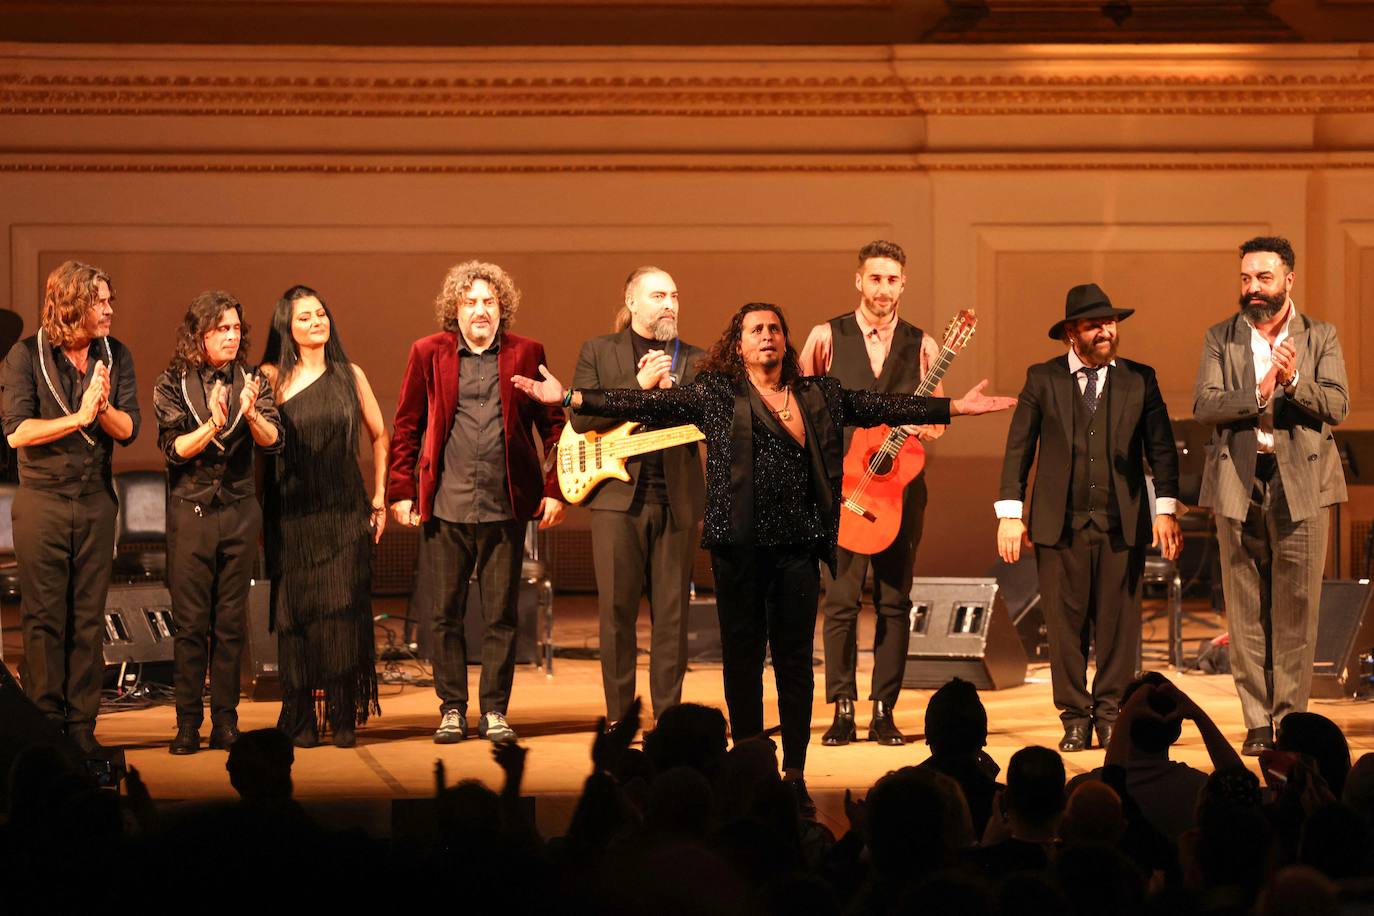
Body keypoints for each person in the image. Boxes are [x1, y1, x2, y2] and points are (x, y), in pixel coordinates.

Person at [513, 301, 1015, 813]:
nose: (767, 336)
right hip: (738, 554)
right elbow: (646, 406)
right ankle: (751, 763)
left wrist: (955, 407)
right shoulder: (717, 395)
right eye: (756, 330)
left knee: (795, 666)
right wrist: (569, 396)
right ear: (739, 344)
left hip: (797, 551)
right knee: (743, 663)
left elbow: (887, 406)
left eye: (775, 328)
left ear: (785, 340)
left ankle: (794, 771)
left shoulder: (819, 394)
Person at [997, 283, 1181, 753]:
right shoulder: (1043, 378)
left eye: (1110, 321)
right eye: (1093, 323)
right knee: (1065, 627)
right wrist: (1009, 514)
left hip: (1122, 523)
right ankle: (1075, 716)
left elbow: (1160, 449)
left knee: (1119, 627)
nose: (1106, 330)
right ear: (1070, 334)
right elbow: (1019, 449)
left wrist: (1165, 509)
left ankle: (1109, 714)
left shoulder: (1140, 379)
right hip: (1060, 525)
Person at [388, 260, 566, 745]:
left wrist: (554, 492)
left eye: (489, 302)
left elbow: (554, 428)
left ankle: (493, 711)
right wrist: (400, 491)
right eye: (470, 303)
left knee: (501, 614)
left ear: (502, 307)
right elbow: (407, 426)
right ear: (455, 310)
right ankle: (451, 708)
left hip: (505, 506)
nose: (480, 310)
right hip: (444, 506)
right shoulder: (428, 353)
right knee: (443, 613)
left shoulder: (527, 353)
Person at [1193, 236, 1349, 755]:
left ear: (1288, 280)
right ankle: (1257, 721)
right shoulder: (1221, 337)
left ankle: (1290, 720)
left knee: (1297, 611)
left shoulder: (1320, 335)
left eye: (1263, 277)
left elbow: (1338, 405)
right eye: (1245, 278)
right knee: (1244, 610)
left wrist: (1295, 378)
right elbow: (1206, 405)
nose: (1252, 288)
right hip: (1240, 479)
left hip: (1300, 482)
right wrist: (1259, 391)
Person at [798, 239, 945, 747]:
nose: (883, 289)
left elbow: (938, 421)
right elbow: (799, 410)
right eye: (874, 278)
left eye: (892, 280)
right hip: (842, 490)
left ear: (904, 284)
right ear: (859, 280)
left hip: (899, 490)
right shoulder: (826, 337)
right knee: (839, 602)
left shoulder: (924, 345)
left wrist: (920, 427)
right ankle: (842, 706)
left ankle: (884, 709)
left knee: (894, 602)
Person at [1, 260, 139, 753]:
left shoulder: (115, 354)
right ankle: (44, 725)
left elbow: (128, 430)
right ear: (71, 304)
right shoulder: (24, 357)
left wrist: (102, 410)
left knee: (87, 617)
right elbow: (17, 431)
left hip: (95, 500)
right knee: (43, 618)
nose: (108, 309)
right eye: (99, 301)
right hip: (43, 503)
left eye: (109, 300)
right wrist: (79, 415)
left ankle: (82, 725)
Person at [570, 266, 705, 728]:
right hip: (615, 503)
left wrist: (672, 394)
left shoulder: (696, 360)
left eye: (674, 294)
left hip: (677, 503)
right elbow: (583, 421)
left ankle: (668, 721)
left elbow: (713, 423)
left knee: (672, 618)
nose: (669, 303)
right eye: (658, 295)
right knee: (616, 615)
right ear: (631, 303)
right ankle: (619, 717)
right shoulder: (599, 351)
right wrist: (639, 388)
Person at [260, 284, 389, 748]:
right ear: (286, 328)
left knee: (340, 614)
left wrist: (379, 497)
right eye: (304, 317)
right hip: (292, 516)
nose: (316, 322)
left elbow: (379, 435)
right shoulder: (270, 377)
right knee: (295, 617)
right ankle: (300, 718)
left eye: (321, 314)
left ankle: (341, 714)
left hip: (343, 514)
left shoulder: (350, 374)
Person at [154, 290, 283, 754]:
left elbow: (272, 440)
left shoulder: (253, 381)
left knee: (231, 624)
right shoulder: (173, 381)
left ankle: (226, 722)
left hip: (239, 510)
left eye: (234, 329)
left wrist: (249, 412)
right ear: (199, 335)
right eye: (220, 330)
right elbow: (173, 449)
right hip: (190, 511)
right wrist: (212, 423)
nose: (231, 337)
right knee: (191, 625)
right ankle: (188, 723)